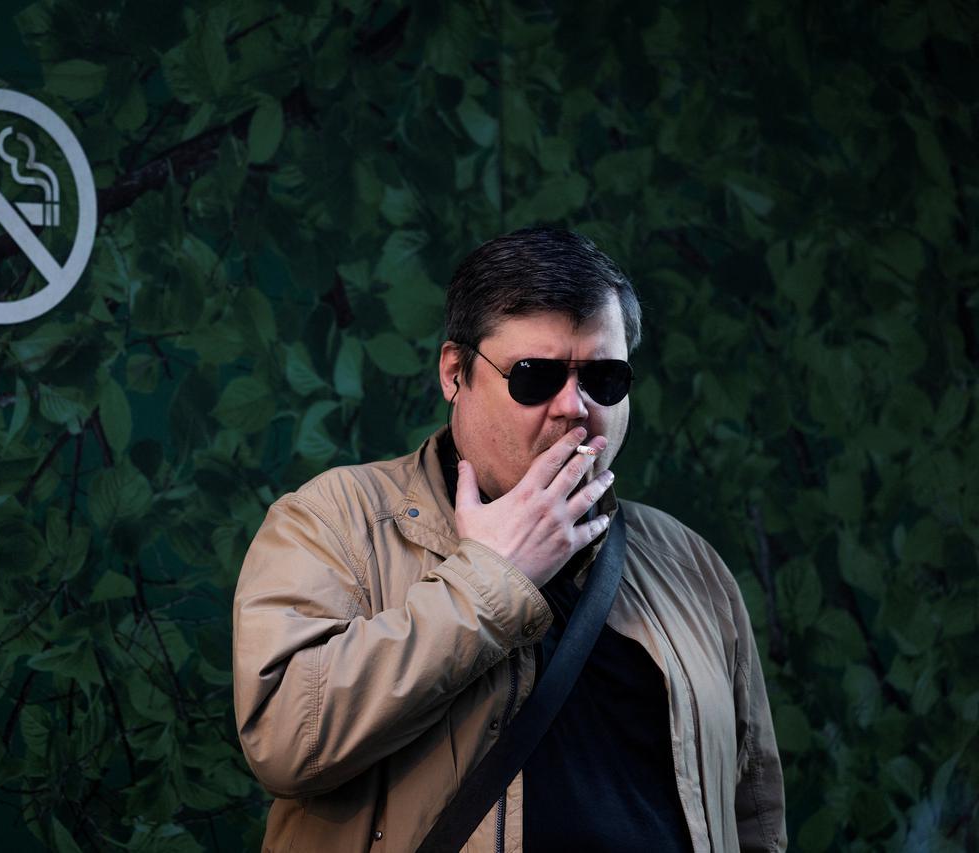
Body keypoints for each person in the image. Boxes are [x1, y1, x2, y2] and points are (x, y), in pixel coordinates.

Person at [232, 227, 786, 852]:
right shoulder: (334, 521)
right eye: (534, 376)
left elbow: (753, 816)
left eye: (603, 378)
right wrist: (490, 577)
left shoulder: (690, 564)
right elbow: (285, 740)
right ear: (454, 373)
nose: (573, 407)